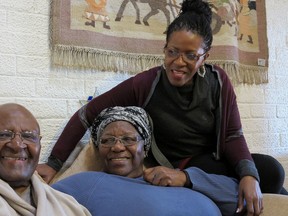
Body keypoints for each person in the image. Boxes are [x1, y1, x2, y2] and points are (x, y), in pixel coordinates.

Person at [37, 0, 285, 215]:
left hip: (215, 161)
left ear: (205, 57)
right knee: (266, 181)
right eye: (172, 52)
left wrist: (249, 176)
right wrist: (53, 163)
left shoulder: (218, 80)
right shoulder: (146, 83)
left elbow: (232, 135)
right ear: (164, 49)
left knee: (269, 172)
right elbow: (86, 114)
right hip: (180, 167)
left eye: (190, 55)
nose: (178, 62)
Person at [52, 106, 240, 216]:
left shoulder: (170, 178)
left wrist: (185, 178)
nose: (117, 147)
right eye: (107, 140)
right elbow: (36, 200)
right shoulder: (85, 183)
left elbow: (240, 198)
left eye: (128, 139)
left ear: (146, 148)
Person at [0, 103, 91, 216]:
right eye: (3, 135)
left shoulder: (70, 207)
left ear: (39, 145)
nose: (17, 145)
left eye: (28, 136)